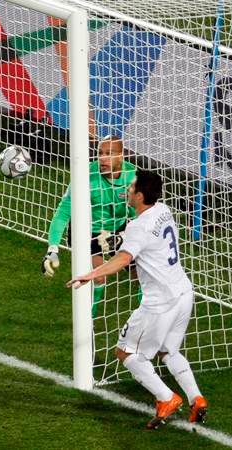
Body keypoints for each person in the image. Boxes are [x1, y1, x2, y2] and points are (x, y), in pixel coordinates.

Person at [67, 170, 208, 429]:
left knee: (126, 352)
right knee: (168, 350)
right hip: (183, 292)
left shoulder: (138, 227)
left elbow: (123, 259)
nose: (128, 190)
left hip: (160, 302)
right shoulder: (163, 210)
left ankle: (166, 397)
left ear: (140, 195)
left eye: (131, 188)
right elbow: (142, 249)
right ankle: (196, 398)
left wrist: (91, 273)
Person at [42, 135, 136, 316]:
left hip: (118, 229)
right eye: (100, 153)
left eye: (109, 153)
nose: (102, 158)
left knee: (140, 274)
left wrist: (125, 235)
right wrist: (53, 247)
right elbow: (63, 213)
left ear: (121, 156)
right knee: (99, 276)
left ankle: (145, 319)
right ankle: (89, 319)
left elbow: (141, 215)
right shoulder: (85, 177)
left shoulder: (133, 177)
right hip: (87, 232)